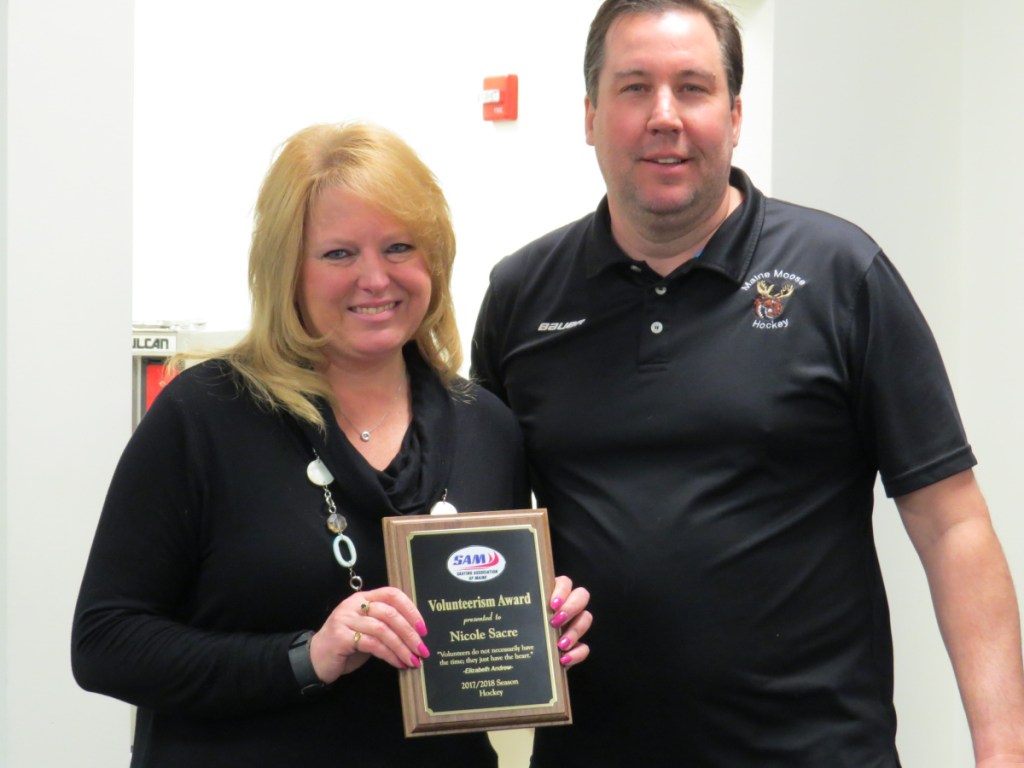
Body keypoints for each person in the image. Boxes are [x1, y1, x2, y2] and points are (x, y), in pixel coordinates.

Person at [471, 1, 1024, 766]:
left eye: (692, 88)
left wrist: (1003, 751)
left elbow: (952, 525)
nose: (664, 116)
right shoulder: (523, 296)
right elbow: (487, 536)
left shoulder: (841, 273)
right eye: (634, 88)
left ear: (734, 115)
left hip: (814, 750)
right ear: (591, 115)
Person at [72, 122, 591, 768]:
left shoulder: (486, 424)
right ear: (286, 270)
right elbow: (104, 642)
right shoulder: (202, 416)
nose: (375, 278)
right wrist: (305, 656)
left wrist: (543, 628)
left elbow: (486, 622)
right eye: (339, 254)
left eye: (400, 247)